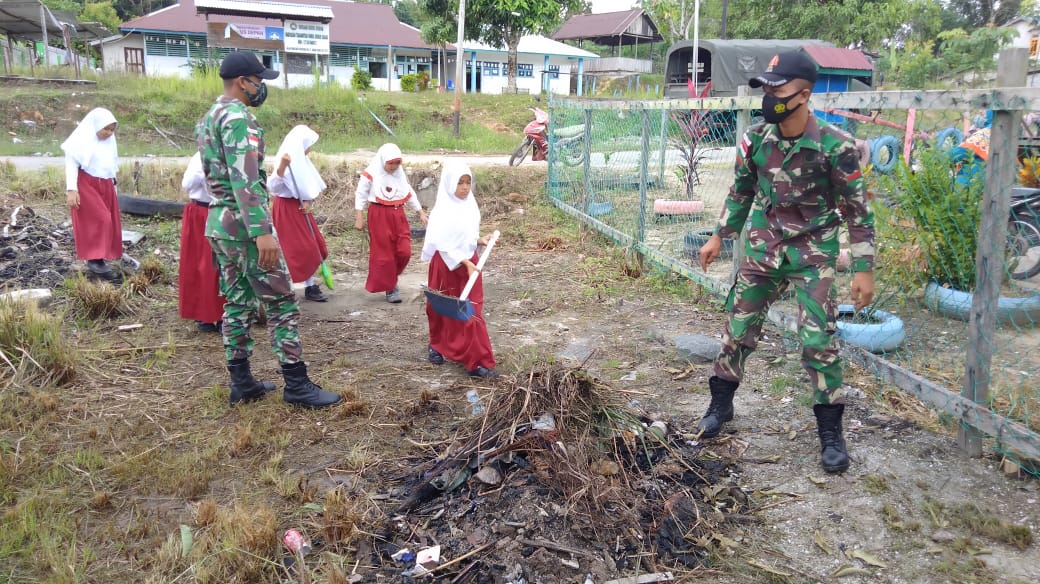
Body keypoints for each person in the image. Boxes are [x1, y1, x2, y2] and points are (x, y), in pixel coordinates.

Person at [698, 51, 875, 473]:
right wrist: (719, 235)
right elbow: (741, 192)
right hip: (764, 247)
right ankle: (720, 407)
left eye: (779, 88)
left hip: (813, 254)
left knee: (817, 341)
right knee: (737, 328)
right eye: (767, 88)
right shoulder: (757, 139)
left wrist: (865, 269)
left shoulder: (838, 146)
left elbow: (858, 212)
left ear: (804, 94)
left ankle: (831, 432)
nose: (770, 96)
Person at [196, 50, 341, 409]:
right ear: (243, 82)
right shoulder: (238, 118)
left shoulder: (209, 117)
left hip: (219, 225)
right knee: (281, 301)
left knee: (238, 302)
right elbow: (244, 179)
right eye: (258, 80)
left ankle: (242, 383)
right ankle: (297, 384)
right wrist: (262, 231)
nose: (261, 87)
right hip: (246, 228)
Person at [421, 162, 497, 378]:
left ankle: (476, 360)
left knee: (471, 311)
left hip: (470, 266)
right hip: (447, 266)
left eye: (468, 182)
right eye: (460, 183)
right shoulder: (441, 211)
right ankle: (437, 345)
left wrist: (479, 240)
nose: (465, 187)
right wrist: (463, 262)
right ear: (449, 184)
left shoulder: (470, 205)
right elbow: (442, 243)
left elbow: (465, 235)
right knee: (442, 308)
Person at [354, 144, 428, 303]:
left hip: (398, 214)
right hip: (379, 215)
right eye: (390, 163)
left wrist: (420, 212)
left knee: (404, 251)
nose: (394, 167)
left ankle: (391, 276)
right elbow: (361, 194)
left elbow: (408, 193)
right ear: (383, 161)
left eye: (397, 163)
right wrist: (359, 216)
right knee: (385, 255)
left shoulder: (399, 175)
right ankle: (391, 287)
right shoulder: (372, 173)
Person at [268, 125, 330, 302]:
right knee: (296, 249)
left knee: (315, 246)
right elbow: (274, 187)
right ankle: (286, 286)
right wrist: (282, 167)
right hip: (286, 210)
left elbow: (309, 188)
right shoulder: (285, 160)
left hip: (301, 209)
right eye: (308, 144)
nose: (310, 148)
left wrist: (309, 202)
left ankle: (310, 286)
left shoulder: (303, 162)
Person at [63, 107, 122, 284]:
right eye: (106, 129)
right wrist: (71, 189)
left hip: (105, 185)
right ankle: (94, 260)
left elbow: (111, 166)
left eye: (112, 130)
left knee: (109, 220)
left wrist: (114, 189)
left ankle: (102, 257)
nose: (109, 133)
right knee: (100, 219)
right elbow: (71, 163)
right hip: (86, 183)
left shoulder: (109, 142)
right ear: (96, 126)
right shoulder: (81, 140)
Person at [178, 152, 224, 333]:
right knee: (199, 264)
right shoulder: (199, 157)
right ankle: (203, 313)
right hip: (201, 213)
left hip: (223, 213)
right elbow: (187, 184)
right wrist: (203, 170)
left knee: (220, 264)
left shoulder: (231, 153)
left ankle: (223, 314)